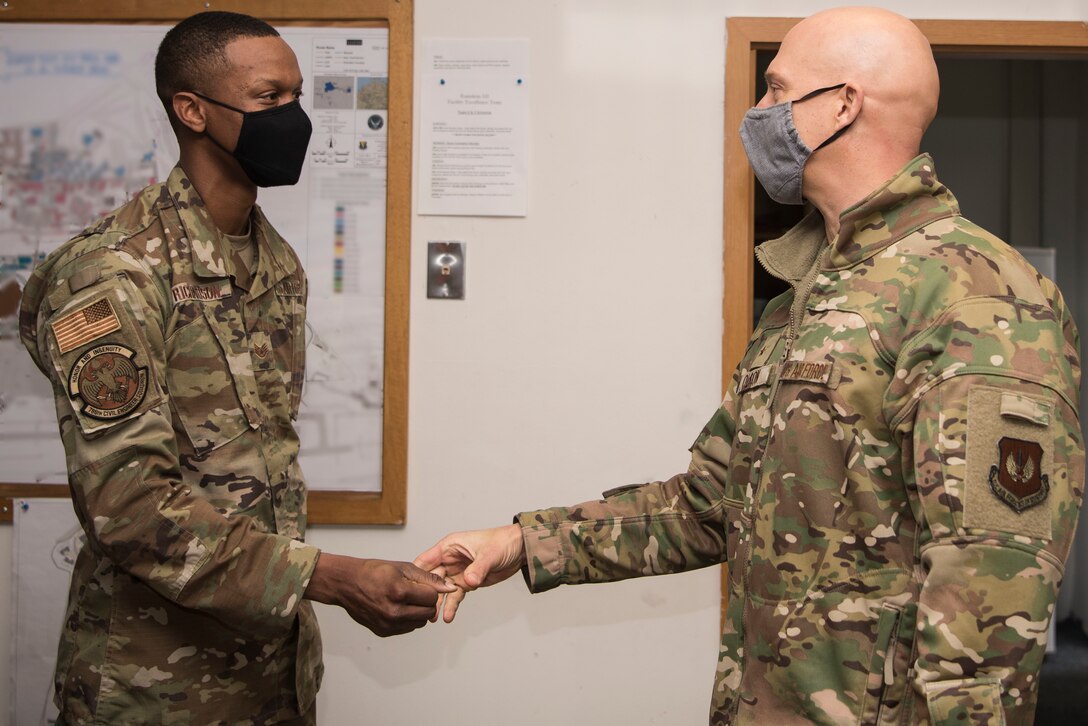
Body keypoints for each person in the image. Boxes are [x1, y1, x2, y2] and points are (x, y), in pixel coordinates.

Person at [416, 7, 1084, 724]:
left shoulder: (973, 294)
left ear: (843, 104)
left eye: (776, 89)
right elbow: (709, 505)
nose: (759, 111)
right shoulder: (807, 294)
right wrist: (522, 543)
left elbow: (991, 590)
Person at [19, 11, 453, 725]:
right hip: (152, 687)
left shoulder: (275, 263)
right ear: (192, 111)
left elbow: (263, 462)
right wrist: (334, 578)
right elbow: (129, 509)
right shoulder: (114, 275)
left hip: (271, 675)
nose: (294, 118)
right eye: (268, 98)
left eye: (297, 96)